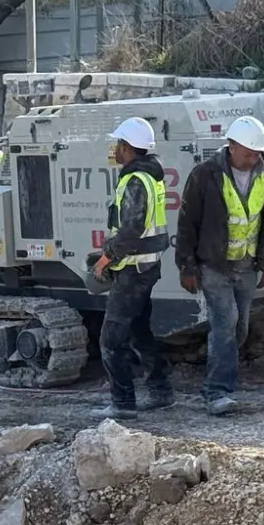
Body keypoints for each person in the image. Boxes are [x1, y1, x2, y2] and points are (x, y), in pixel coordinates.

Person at [174, 115, 264, 416]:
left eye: (258, 152)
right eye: (249, 152)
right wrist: (186, 266)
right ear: (232, 147)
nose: (254, 158)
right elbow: (187, 223)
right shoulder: (205, 175)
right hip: (215, 266)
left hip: (247, 265)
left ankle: (219, 377)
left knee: (239, 327)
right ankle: (216, 393)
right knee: (225, 322)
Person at [90, 116, 174, 419]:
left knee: (111, 340)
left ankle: (123, 403)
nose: (115, 149)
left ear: (127, 147)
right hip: (146, 268)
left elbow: (130, 230)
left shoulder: (135, 181)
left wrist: (105, 258)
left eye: (118, 144)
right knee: (139, 332)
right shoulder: (150, 177)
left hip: (133, 271)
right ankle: (161, 391)